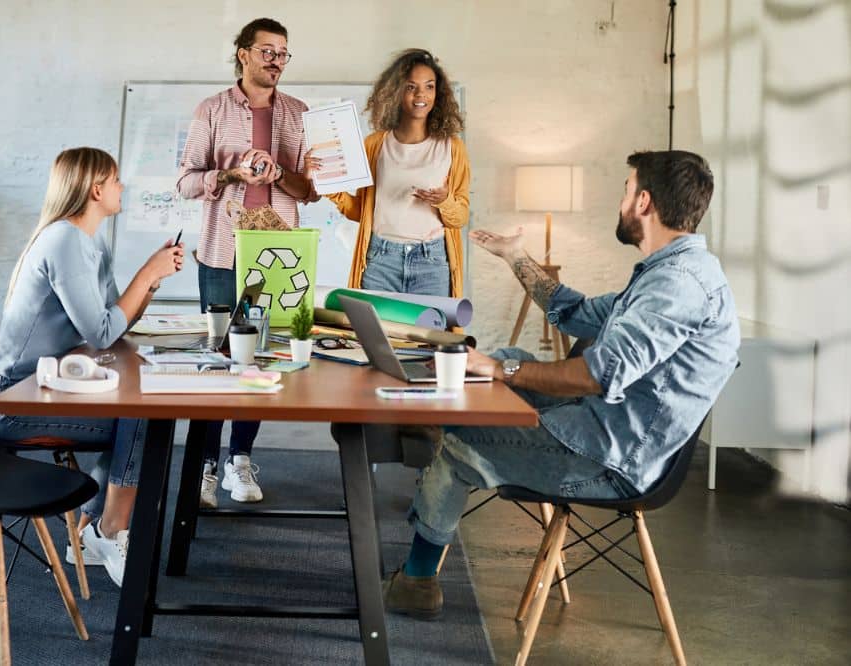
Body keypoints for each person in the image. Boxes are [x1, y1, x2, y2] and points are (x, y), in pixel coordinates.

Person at [382, 150, 740, 617]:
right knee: (510, 358)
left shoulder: (679, 286)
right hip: (599, 429)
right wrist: (515, 257)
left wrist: (497, 371)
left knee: (462, 438)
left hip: (611, 459)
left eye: (626, 190)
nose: (622, 200)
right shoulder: (666, 274)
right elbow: (574, 313)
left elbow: (597, 375)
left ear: (645, 202)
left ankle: (417, 582)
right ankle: (435, 421)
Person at [0, 147, 184, 587]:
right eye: (116, 179)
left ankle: (93, 529)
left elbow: (111, 321)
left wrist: (150, 282)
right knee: (144, 416)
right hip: (11, 397)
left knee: (140, 411)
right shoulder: (64, 240)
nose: (122, 186)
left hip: (42, 385)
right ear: (96, 189)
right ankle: (111, 530)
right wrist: (145, 273)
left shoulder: (91, 241)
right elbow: (104, 333)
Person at [175, 17, 320, 508]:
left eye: (283, 53)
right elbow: (186, 181)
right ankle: (207, 468)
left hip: (273, 256)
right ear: (243, 53)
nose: (276, 61)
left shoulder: (299, 114)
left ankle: (240, 459)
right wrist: (230, 173)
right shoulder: (211, 109)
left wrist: (282, 174)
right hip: (221, 250)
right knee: (217, 355)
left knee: (255, 355)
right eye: (267, 52)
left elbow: (310, 190)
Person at [322, 49, 470, 298]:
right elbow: (362, 210)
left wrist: (444, 201)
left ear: (438, 93)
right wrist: (330, 186)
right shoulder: (375, 144)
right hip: (381, 261)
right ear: (396, 92)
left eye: (429, 86)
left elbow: (460, 217)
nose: (421, 95)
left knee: (431, 336)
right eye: (411, 87)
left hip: (431, 262)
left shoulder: (452, 147)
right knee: (375, 335)